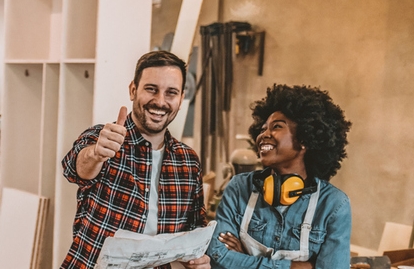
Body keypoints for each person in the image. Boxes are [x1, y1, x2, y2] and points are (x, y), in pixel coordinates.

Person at [61, 50, 210, 269]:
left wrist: (199, 259)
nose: (160, 102)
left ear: (180, 98)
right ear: (133, 90)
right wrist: (96, 154)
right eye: (151, 89)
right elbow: (74, 169)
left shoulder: (188, 161)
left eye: (171, 93)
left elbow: (196, 227)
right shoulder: (104, 138)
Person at [207, 84, 352, 269]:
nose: (263, 135)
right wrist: (301, 266)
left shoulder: (334, 204)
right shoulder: (239, 187)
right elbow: (218, 255)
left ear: (304, 140)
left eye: (276, 127)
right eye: (262, 129)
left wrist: (243, 258)